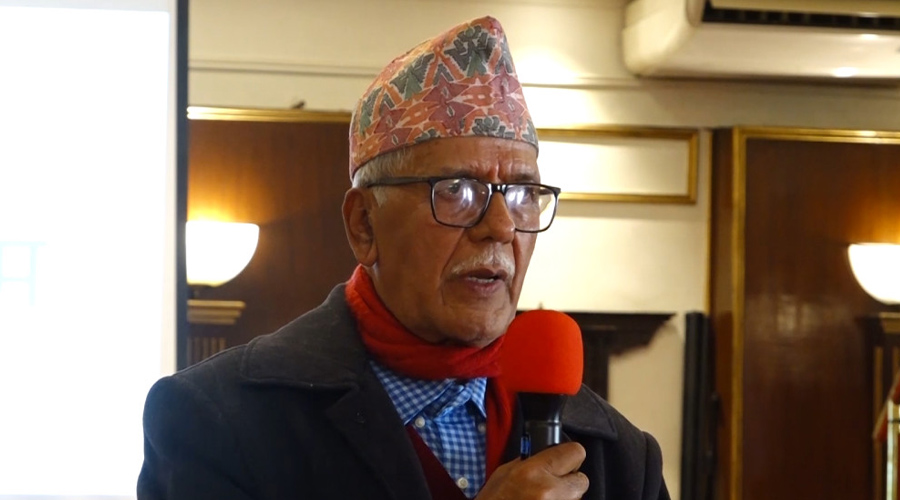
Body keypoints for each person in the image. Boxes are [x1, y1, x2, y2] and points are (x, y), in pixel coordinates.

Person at [137, 16, 669, 500]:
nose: (502, 227)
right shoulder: (217, 422)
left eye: (522, 194)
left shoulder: (618, 454)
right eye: (457, 190)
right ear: (364, 225)